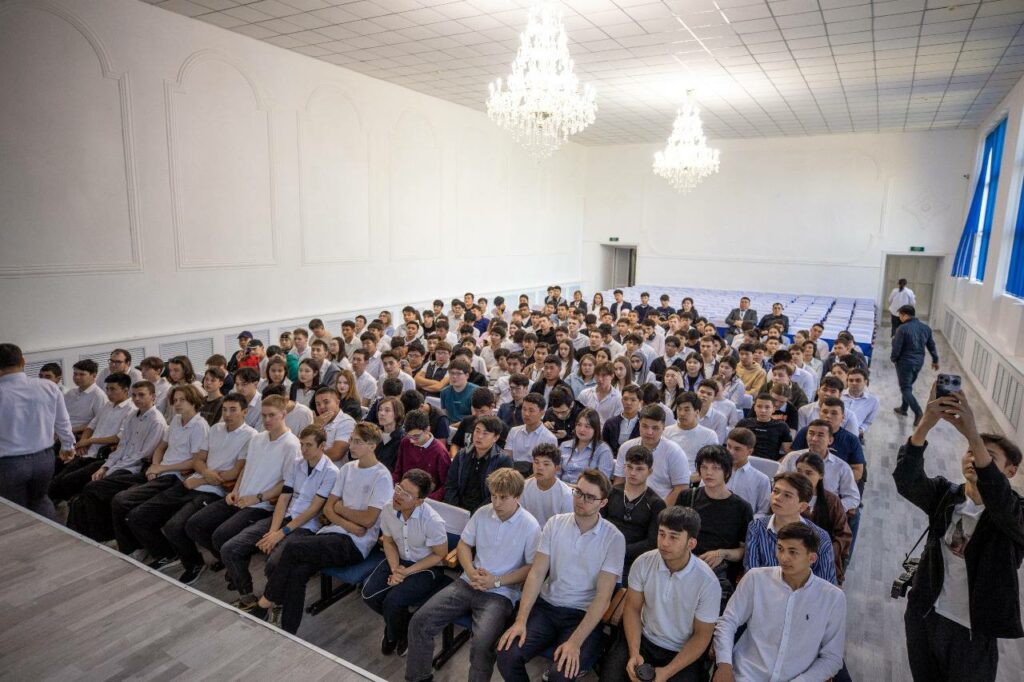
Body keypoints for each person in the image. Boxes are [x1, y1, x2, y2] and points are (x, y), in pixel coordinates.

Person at [894, 387, 1023, 682]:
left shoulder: (1015, 515)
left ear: (1010, 471)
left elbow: (1000, 498)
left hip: (973, 633)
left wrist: (973, 435)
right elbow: (907, 480)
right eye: (970, 452)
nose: (973, 459)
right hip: (925, 616)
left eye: (987, 457)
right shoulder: (946, 495)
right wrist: (926, 422)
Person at [253, 422, 392, 633]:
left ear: (372, 446)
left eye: (358, 442)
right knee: (298, 572)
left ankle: (265, 602)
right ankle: (288, 630)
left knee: (292, 547)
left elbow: (368, 520)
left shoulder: (382, 476)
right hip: (334, 533)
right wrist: (347, 521)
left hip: (355, 544)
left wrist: (340, 509)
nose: (351, 446)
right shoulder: (347, 469)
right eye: (351, 440)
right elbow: (328, 508)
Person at [406, 468, 541, 682]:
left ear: (517, 497)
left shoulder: (530, 526)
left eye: (503, 498)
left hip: (500, 593)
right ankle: (418, 678)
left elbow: (532, 569)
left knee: (482, 645)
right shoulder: (483, 513)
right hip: (468, 582)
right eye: (493, 496)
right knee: (420, 622)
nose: (496, 503)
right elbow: (464, 545)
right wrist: (470, 571)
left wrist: (495, 581)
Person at [497, 469, 626, 682]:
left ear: (603, 503)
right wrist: (521, 620)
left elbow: (603, 598)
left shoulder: (614, 538)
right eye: (578, 492)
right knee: (506, 655)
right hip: (547, 607)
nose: (581, 500)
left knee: (560, 674)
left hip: (582, 614)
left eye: (590, 497)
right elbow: (536, 574)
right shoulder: (555, 523)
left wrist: (575, 642)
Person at [228, 424, 338, 625]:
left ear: (322, 446)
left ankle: (276, 602)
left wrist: (281, 533)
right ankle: (248, 598)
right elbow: (284, 497)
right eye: (302, 444)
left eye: (309, 445)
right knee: (232, 548)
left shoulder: (331, 472)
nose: (303, 449)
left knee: (274, 564)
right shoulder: (297, 463)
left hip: (306, 526)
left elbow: (313, 510)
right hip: (285, 517)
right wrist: (273, 531)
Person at [713, 523, 846, 682]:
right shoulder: (756, 579)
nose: (783, 557)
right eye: (780, 549)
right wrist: (724, 665)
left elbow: (832, 657)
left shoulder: (832, 598)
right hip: (745, 675)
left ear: (812, 558)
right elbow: (728, 621)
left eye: (793, 552)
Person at [600, 506, 720, 682]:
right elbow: (632, 609)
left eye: (673, 537)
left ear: (691, 543)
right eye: (661, 534)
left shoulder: (708, 583)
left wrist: (667, 672)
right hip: (643, 638)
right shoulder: (643, 562)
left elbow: (702, 636)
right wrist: (634, 653)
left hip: (681, 650)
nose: (664, 543)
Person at [183, 395, 297, 577]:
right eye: (264, 415)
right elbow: (245, 468)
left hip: (260, 505)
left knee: (220, 535)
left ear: (283, 414)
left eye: (272, 415)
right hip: (239, 497)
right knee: (194, 525)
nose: (267, 420)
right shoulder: (258, 438)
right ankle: (228, 561)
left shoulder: (291, 445)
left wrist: (257, 498)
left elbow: (287, 483)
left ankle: (237, 572)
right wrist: (236, 490)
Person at [163, 392, 256, 584]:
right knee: (152, 510)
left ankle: (200, 563)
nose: (227, 414)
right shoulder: (215, 428)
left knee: (179, 525)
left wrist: (201, 480)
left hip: (215, 489)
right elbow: (198, 460)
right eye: (225, 409)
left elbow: (234, 473)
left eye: (233, 410)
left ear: (245, 412)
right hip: (196, 480)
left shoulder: (251, 436)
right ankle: (167, 554)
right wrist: (204, 473)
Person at [112, 384, 210, 565]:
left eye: (182, 400)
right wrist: (155, 466)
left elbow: (196, 462)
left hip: (176, 477)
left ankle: (162, 552)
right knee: (118, 497)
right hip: (162, 472)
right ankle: (135, 546)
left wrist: (161, 469)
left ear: (194, 402)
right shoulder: (176, 420)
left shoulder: (199, 426)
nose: (177, 404)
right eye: (175, 400)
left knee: (127, 505)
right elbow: (161, 447)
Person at [362, 468, 449, 657]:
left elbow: (439, 555)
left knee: (393, 602)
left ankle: (393, 634)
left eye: (406, 494)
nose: (398, 495)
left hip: (426, 567)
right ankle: (404, 626)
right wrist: (395, 569)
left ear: (419, 501)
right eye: (399, 488)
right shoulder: (388, 508)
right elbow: (388, 541)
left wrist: (406, 573)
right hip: (399, 559)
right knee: (369, 595)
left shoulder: (433, 521)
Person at [66, 381, 167, 540]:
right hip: (121, 464)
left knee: (93, 488)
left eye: (141, 395)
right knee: (85, 490)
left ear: (153, 397)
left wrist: (111, 470)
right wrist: (105, 467)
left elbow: (141, 455)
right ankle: (84, 533)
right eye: (134, 395)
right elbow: (122, 446)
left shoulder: (157, 421)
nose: (137, 399)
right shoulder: (133, 416)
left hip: (136, 469)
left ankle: (101, 535)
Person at [0, 344, 76, 518]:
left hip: (9, 463)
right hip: (44, 459)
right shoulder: (48, 386)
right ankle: (52, 534)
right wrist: (67, 445)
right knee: (41, 500)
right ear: (23, 361)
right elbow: (63, 421)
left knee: (14, 510)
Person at [48, 372, 133, 503]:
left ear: (125, 390)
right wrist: (83, 442)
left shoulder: (131, 409)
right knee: (56, 469)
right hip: (88, 450)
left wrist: (89, 441)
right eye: (107, 389)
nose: (109, 393)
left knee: (67, 480)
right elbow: (91, 426)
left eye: (113, 389)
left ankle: (63, 503)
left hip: (103, 456)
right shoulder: (108, 405)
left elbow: (118, 438)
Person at [679, 445, 752, 592]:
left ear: (727, 472)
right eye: (704, 467)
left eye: (716, 468)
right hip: (685, 563)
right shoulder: (687, 496)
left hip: (718, 572)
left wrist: (722, 553)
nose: (709, 473)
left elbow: (744, 551)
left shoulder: (741, 507)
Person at [743, 471, 837, 584]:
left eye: (787, 495)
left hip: (804, 593)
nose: (777, 498)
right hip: (763, 591)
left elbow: (825, 583)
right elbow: (751, 573)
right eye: (775, 491)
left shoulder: (820, 537)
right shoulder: (757, 527)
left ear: (802, 507)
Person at [602, 445, 666, 580]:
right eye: (629, 467)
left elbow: (652, 542)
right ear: (623, 467)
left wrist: (620, 550)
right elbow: (598, 523)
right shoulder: (611, 492)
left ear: (650, 471)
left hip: (634, 562)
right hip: (603, 551)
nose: (633, 473)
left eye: (639, 469)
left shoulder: (656, 503)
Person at [614, 405, 691, 506]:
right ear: (639, 424)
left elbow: (681, 487)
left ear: (663, 427)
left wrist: (660, 511)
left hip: (661, 504)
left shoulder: (674, 452)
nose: (649, 432)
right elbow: (619, 481)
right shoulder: (626, 447)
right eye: (645, 426)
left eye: (655, 428)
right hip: (629, 503)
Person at [794, 452, 852, 584]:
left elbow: (843, 535)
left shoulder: (831, 501)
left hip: (821, 559)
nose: (802, 477)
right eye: (799, 471)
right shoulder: (788, 496)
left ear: (820, 475)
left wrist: (825, 553)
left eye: (809, 473)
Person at [445, 415, 514, 512]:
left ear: (496, 437)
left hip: (486, 511)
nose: (479, 436)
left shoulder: (503, 461)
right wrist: (454, 509)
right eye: (477, 431)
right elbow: (450, 485)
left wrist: (477, 514)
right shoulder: (462, 455)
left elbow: (499, 494)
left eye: (485, 433)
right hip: (458, 508)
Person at [891, 305, 940, 425]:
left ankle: (918, 412)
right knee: (908, 385)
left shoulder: (902, 328)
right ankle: (903, 408)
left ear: (904, 315)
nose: (899, 317)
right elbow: (931, 345)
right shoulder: (926, 328)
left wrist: (894, 358)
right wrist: (935, 359)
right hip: (918, 362)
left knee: (905, 388)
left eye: (900, 315)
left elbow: (897, 347)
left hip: (905, 362)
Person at [663, 392, 720, 474]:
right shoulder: (666, 432)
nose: (682, 413)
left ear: (697, 412)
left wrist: (691, 478)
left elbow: (713, 465)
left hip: (696, 478)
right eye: (679, 409)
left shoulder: (709, 435)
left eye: (686, 410)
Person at [520, 442, 574, 527]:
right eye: (536, 462)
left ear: (557, 468)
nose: (539, 467)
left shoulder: (566, 494)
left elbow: (565, 526)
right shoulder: (523, 487)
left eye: (546, 464)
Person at [504, 393, 558, 477]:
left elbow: (547, 467)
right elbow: (507, 458)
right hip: (513, 475)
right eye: (524, 409)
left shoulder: (550, 438)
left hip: (537, 476)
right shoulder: (514, 431)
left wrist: (526, 482)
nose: (526, 414)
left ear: (542, 413)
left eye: (531, 410)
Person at [723, 428, 771, 515]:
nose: (731, 452)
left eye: (737, 449)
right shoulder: (715, 471)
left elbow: (763, 511)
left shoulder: (762, 480)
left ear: (749, 452)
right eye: (729, 446)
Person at [559, 408, 615, 483]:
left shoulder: (603, 450)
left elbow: (602, 483)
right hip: (562, 488)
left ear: (595, 429)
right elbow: (555, 473)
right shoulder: (564, 446)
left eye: (587, 426)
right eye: (579, 425)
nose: (582, 430)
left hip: (586, 489)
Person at [736, 393, 792, 461]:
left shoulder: (782, 426)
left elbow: (789, 453)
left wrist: (777, 464)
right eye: (759, 406)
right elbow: (733, 445)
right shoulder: (743, 423)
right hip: (745, 460)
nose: (763, 410)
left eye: (767, 407)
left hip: (770, 463)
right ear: (754, 408)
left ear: (773, 409)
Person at [62, 359, 107, 439]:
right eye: (75, 374)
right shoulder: (70, 393)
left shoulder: (99, 396)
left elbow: (100, 423)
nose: (77, 377)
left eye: (82, 374)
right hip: (64, 430)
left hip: (79, 434)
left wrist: (70, 430)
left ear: (93, 376)